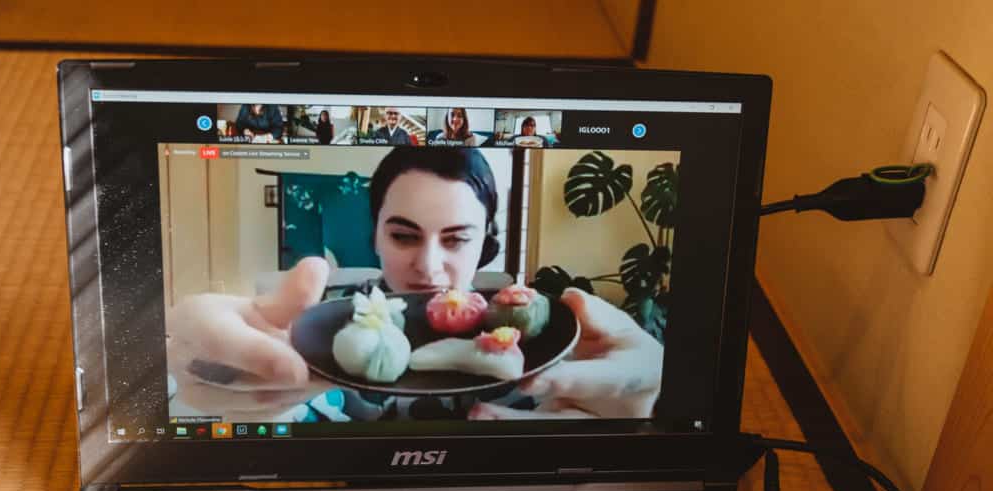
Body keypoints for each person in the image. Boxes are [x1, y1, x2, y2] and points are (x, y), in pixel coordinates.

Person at [166, 148, 661, 421]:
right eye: (404, 235)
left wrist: (642, 416)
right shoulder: (322, 325)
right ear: (375, 236)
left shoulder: (542, 338)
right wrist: (244, 392)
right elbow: (295, 411)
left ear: (485, 243)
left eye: (456, 239)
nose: (428, 267)